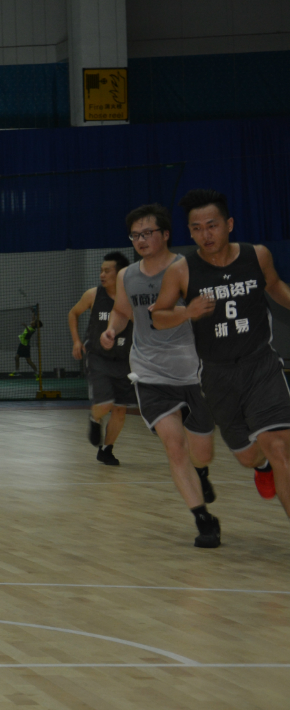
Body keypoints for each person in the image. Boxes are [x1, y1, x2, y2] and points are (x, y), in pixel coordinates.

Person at [160, 190, 290, 520]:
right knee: (249, 456)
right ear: (189, 232)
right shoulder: (181, 271)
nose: (206, 234)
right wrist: (186, 312)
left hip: (261, 366)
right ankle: (261, 466)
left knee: (280, 447)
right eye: (197, 228)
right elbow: (158, 316)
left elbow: (275, 286)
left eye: (212, 225)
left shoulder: (257, 255)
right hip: (217, 375)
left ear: (229, 224)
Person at [101, 203, 220, 548]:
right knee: (174, 446)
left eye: (147, 233)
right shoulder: (127, 275)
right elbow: (122, 311)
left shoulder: (187, 268)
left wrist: (182, 313)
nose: (141, 240)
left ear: (165, 234)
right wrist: (112, 329)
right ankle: (203, 519)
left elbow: (204, 312)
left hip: (191, 370)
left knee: (202, 453)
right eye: (134, 235)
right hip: (149, 371)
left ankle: (201, 471)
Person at [70, 252, 134, 466]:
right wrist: (77, 341)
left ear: (120, 274)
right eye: (101, 270)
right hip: (98, 357)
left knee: (120, 410)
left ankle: (106, 450)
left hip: (124, 360)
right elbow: (73, 313)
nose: (102, 275)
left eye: (107, 271)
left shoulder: (132, 298)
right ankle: (94, 418)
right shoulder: (93, 295)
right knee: (105, 403)